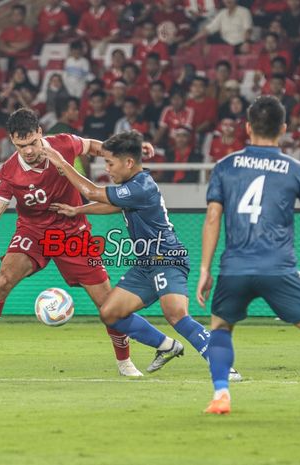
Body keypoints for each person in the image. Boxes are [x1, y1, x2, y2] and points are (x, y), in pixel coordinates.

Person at [196, 96, 300, 417]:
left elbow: (213, 218)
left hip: (235, 268)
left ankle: (221, 394)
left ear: (246, 127)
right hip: (279, 268)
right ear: (283, 129)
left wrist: (205, 268)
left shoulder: (225, 166)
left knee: (220, 328)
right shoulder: (296, 169)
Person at [44, 130, 241, 378]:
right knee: (110, 313)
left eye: (110, 163)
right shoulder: (130, 186)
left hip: (167, 258)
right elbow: (111, 204)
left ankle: (223, 365)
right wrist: (78, 210)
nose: (108, 169)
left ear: (128, 163)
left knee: (176, 313)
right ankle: (166, 346)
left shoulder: (141, 187)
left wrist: (62, 163)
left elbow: (94, 192)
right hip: (145, 263)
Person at [0, 109, 142, 381]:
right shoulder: (9, 171)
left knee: (107, 303)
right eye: (21, 146)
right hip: (33, 232)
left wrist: (119, 155)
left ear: (39, 133)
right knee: (1, 283)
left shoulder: (63, 144)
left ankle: (125, 362)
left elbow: (93, 146)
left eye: (32, 142)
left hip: (73, 231)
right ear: (13, 141)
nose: (29, 150)